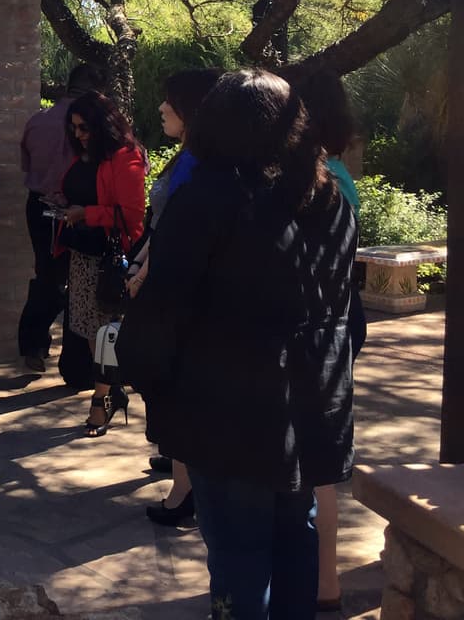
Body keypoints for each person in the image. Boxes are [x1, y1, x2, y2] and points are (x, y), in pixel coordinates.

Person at [119, 69, 357, 620]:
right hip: (310, 409)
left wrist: (146, 375)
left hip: (228, 417)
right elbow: (346, 317)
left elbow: (164, 310)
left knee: (237, 555)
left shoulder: (208, 201)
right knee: (296, 535)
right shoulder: (329, 200)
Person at [124, 68, 222, 525]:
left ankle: (185, 492)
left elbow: (177, 233)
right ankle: (182, 472)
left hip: (173, 293)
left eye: (171, 101)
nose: (162, 107)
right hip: (160, 277)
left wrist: (145, 272)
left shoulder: (198, 164)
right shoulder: (189, 156)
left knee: (175, 388)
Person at [291, 67, 362, 613]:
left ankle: (319, 580)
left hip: (318, 326)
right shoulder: (341, 175)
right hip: (341, 320)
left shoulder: (313, 181)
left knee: (314, 468)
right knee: (323, 465)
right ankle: (327, 582)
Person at [57, 91, 146, 437]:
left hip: (108, 257)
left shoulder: (125, 156)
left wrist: (87, 213)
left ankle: (102, 399)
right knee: (91, 333)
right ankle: (112, 390)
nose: (78, 134)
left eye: (84, 127)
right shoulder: (90, 154)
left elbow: (132, 216)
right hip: (84, 253)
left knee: (103, 333)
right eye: (74, 128)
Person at [17, 63, 108, 376]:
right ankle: (63, 353)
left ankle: (36, 345)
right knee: (70, 281)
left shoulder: (37, 120)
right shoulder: (90, 125)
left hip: (38, 205)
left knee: (47, 273)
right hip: (74, 211)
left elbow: (27, 165)